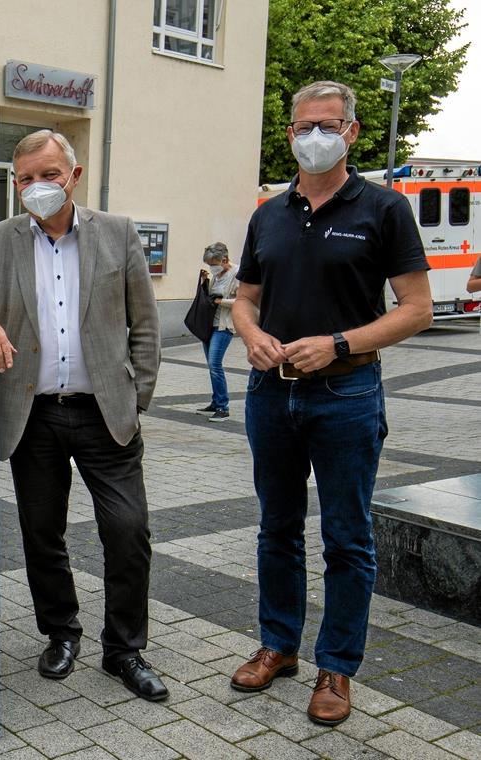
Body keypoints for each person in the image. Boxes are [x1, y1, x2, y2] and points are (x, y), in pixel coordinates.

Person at [0, 129, 166, 701]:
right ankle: (61, 632)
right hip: (32, 415)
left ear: (74, 175)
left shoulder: (118, 234)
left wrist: (136, 400)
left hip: (105, 414)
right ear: (15, 184)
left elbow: (145, 326)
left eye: (48, 175)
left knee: (128, 530)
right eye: (25, 179)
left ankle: (124, 650)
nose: (37, 187)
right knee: (42, 535)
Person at [230, 81, 431, 726]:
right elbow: (244, 299)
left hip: (347, 394)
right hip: (271, 394)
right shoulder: (269, 212)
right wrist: (253, 335)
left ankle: (337, 668)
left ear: (351, 131)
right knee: (277, 529)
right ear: (289, 132)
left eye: (327, 125)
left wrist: (340, 343)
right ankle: (278, 645)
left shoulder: (383, 208)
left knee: (347, 539)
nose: (313, 136)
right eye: (302, 126)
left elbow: (417, 309)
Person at [196, 242, 238, 422]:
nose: (212, 267)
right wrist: (205, 282)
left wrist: (222, 302)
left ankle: (223, 406)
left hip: (224, 326)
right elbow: (210, 297)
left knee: (215, 364)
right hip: (209, 325)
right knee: (211, 366)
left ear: (224, 260)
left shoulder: (237, 274)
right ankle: (215, 402)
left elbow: (243, 301)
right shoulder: (216, 276)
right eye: (209, 264)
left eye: (213, 264)